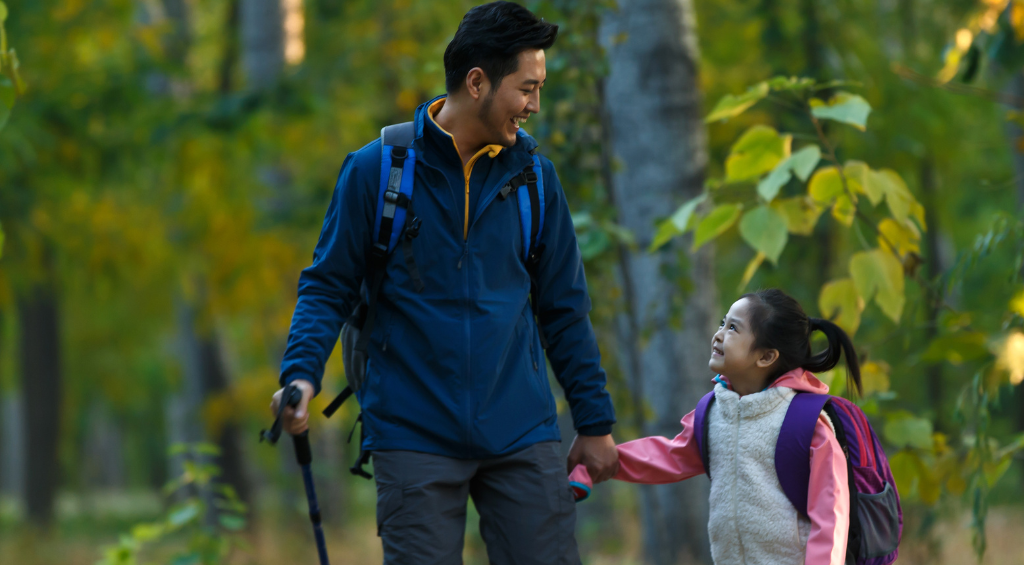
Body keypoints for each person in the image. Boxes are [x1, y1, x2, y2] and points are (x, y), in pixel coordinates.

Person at [270, 2, 618, 563]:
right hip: (413, 431)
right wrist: (301, 375)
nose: (534, 105)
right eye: (526, 89)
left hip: (521, 429)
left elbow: (564, 309)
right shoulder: (375, 171)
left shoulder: (535, 180)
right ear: (477, 82)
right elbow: (326, 285)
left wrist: (595, 421)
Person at [572, 288, 860, 565]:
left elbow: (831, 516)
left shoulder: (808, 424)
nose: (718, 335)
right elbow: (666, 457)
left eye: (733, 329)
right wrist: (598, 461)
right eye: (723, 323)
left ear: (766, 356)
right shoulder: (713, 412)